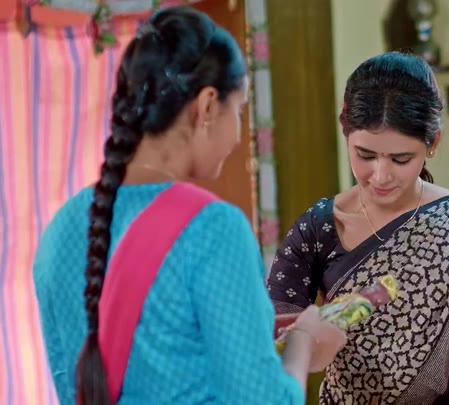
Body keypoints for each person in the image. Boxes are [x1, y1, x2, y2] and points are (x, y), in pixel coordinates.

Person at [33, 7, 345, 405]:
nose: (237, 134)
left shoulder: (61, 229)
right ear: (208, 105)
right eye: (239, 109)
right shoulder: (213, 228)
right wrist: (303, 344)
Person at [267, 52, 449, 405]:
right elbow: (270, 351)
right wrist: (309, 346)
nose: (380, 176)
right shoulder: (319, 228)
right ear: (346, 134)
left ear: (433, 143)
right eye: (365, 155)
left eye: (400, 159)